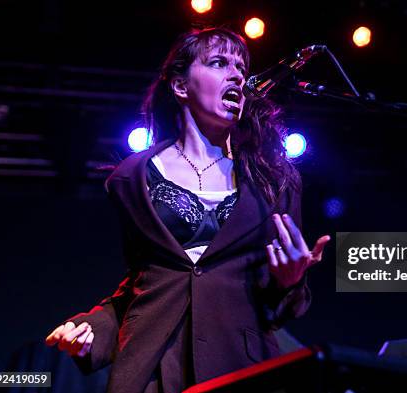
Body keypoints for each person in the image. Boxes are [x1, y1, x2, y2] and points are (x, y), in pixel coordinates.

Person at [45, 27, 330, 393]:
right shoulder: (134, 179)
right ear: (181, 87)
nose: (237, 75)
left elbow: (280, 308)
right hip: (154, 369)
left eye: (241, 68)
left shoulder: (274, 180)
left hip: (239, 366)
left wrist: (290, 281)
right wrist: (93, 329)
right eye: (218, 63)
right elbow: (142, 285)